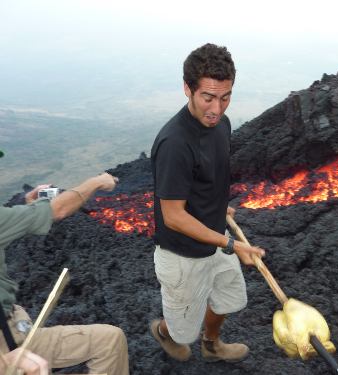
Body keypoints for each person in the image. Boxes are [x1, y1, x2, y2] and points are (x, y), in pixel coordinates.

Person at [150, 43, 265, 363]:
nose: (217, 108)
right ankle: (165, 331)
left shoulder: (221, 125)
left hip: (214, 236)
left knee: (229, 299)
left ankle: (211, 344)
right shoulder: (175, 142)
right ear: (187, 89)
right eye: (208, 97)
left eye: (225, 97)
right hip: (182, 253)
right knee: (182, 334)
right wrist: (231, 244)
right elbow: (172, 216)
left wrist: (218, 205)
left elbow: (209, 177)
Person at [0, 151, 129, 375]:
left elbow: (12, 223)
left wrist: (28, 205)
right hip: (7, 344)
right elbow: (58, 210)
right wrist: (97, 181)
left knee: (110, 340)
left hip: (12, 323)